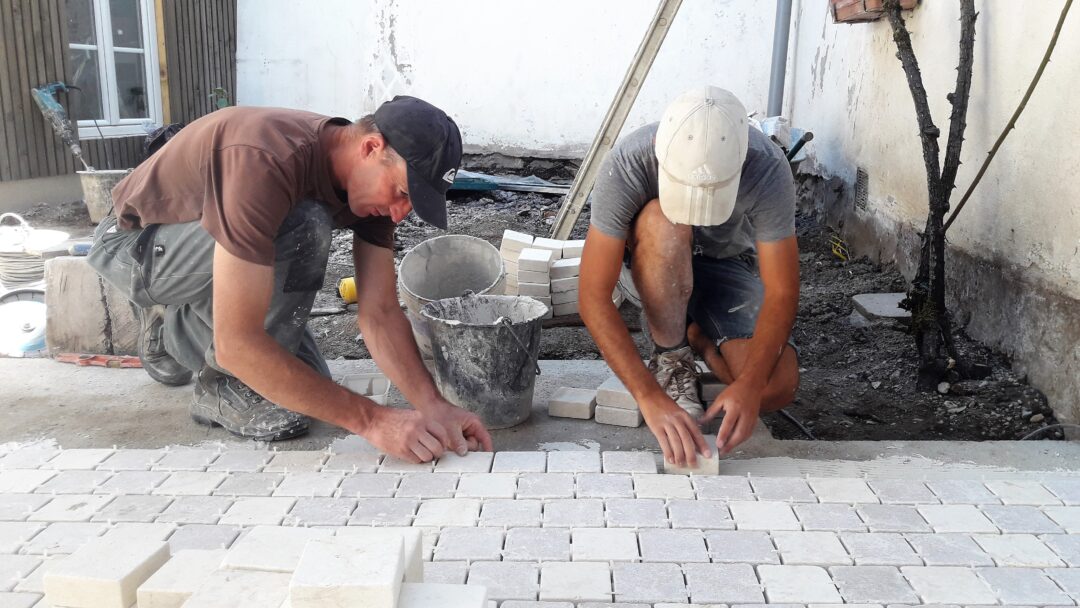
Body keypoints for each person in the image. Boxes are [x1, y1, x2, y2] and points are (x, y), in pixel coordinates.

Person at [87, 96, 492, 463]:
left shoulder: (371, 195)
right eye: (403, 193)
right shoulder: (265, 159)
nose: (401, 213)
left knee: (306, 391)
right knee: (304, 225)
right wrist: (372, 421)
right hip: (134, 247)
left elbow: (380, 313)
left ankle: (176, 322)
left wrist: (432, 405)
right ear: (371, 148)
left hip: (202, 248)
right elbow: (238, 345)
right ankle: (216, 384)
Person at [579, 86, 800, 466]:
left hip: (726, 266)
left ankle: (697, 334)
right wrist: (650, 397)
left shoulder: (767, 168)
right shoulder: (629, 162)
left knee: (777, 387)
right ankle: (671, 354)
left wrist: (749, 387)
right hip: (654, 262)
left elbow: (782, 290)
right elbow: (592, 295)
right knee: (663, 223)